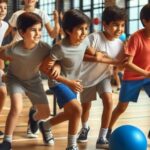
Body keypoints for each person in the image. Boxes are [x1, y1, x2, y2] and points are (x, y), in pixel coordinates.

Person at [39, 8, 120, 150]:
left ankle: (45, 125)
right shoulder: (59, 48)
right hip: (59, 83)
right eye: (80, 29)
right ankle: (71, 146)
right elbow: (44, 69)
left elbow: (95, 53)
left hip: (73, 83)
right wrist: (68, 82)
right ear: (68, 30)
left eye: (86, 28)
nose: (84, 33)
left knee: (71, 113)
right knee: (77, 110)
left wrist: (105, 57)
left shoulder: (83, 43)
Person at [0, 12, 61, 150]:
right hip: (15, 79)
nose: (38, 33)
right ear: (22, 32)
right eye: (33, 30)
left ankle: (34, 119)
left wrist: (57, 65)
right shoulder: (14, 48)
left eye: (40, 30)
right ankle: (7, 141)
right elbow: (1, 53)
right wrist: (2, 73)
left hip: (34, 81)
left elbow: (57, 59)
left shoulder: (44, 48)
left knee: (45, 113)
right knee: (16, 107)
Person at [76, 6, 126, 149]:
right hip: (86, 78)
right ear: (105, 24)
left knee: (109, 101)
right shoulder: (94, 37)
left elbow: (119, 67)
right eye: (116, 25)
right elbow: (81, 56)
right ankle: (85, 127)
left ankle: (102, 136)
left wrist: (124, 61)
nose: (120, 29)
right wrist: (100, 58)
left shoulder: (120, 44)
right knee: (86, 107)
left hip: (104, 77)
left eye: (122, 25)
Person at [107, 3, 150, 140]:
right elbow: (127, 64)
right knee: (121, 107)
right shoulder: (136, 38)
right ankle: (106, 131)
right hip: (132, 78)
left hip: (148, 77)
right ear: (145, 21)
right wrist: (146, 74)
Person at [0, 0, 8, 139]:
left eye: (5, 8)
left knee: (3, 91)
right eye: (0, 8)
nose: (2, 10)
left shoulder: (5, 25)